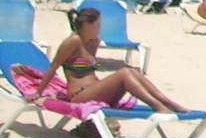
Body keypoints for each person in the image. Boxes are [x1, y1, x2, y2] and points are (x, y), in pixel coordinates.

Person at [26, 6, 189, 115]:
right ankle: (158, 106)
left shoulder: (94, 42)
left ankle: (167, 102)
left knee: (132, 71)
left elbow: (89, 71)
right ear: (86, 25)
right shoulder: (73, 41)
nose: (100, 28)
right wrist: (38, 92)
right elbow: (53, 67)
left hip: (97, 91)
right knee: (124, 72)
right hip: (79, 95)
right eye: (97, 25)